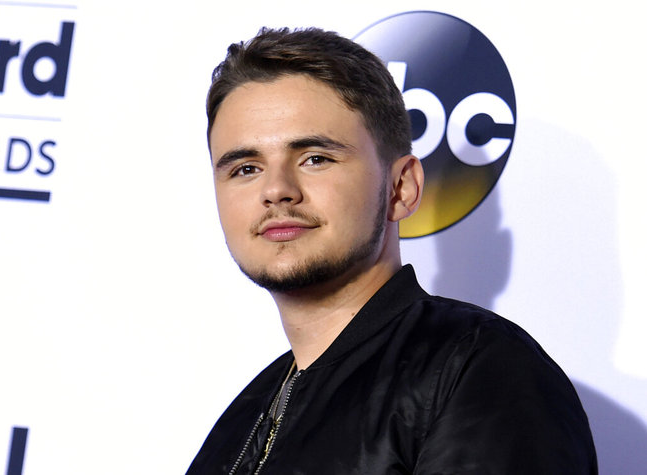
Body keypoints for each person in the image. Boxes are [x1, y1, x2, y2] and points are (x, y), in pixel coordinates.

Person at [186, 27, 597, 474]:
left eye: (315, 158)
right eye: (246, 168)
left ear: (401, 188)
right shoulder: (242, 418)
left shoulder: (483, 371)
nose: (277, 190)